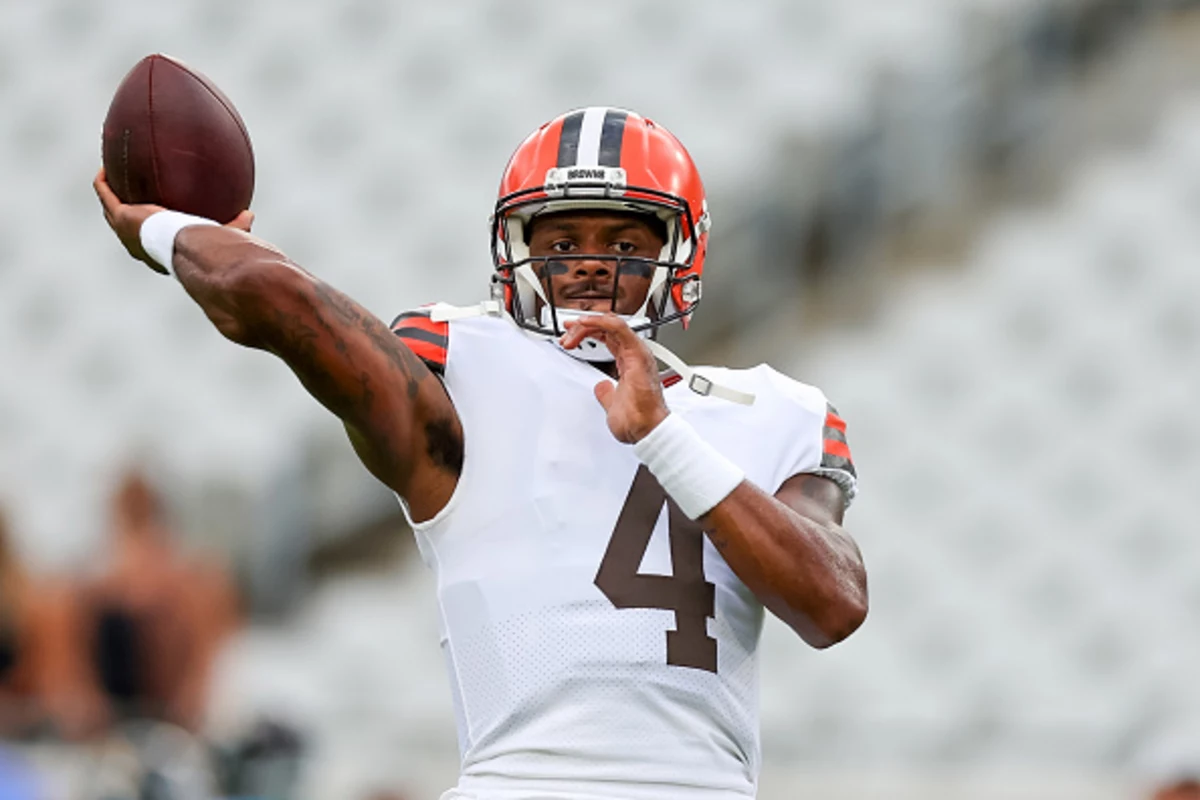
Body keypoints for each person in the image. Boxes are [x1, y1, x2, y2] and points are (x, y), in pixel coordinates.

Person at [95, 106, 868, 799]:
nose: (591, 262)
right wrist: (164, 229)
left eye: (624, 241)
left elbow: (833, 603)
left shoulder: (770, 408)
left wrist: (665, 440)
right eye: (562, 239)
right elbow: (279, 301)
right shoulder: (460, 364)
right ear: (517, 249)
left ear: (678, 253)